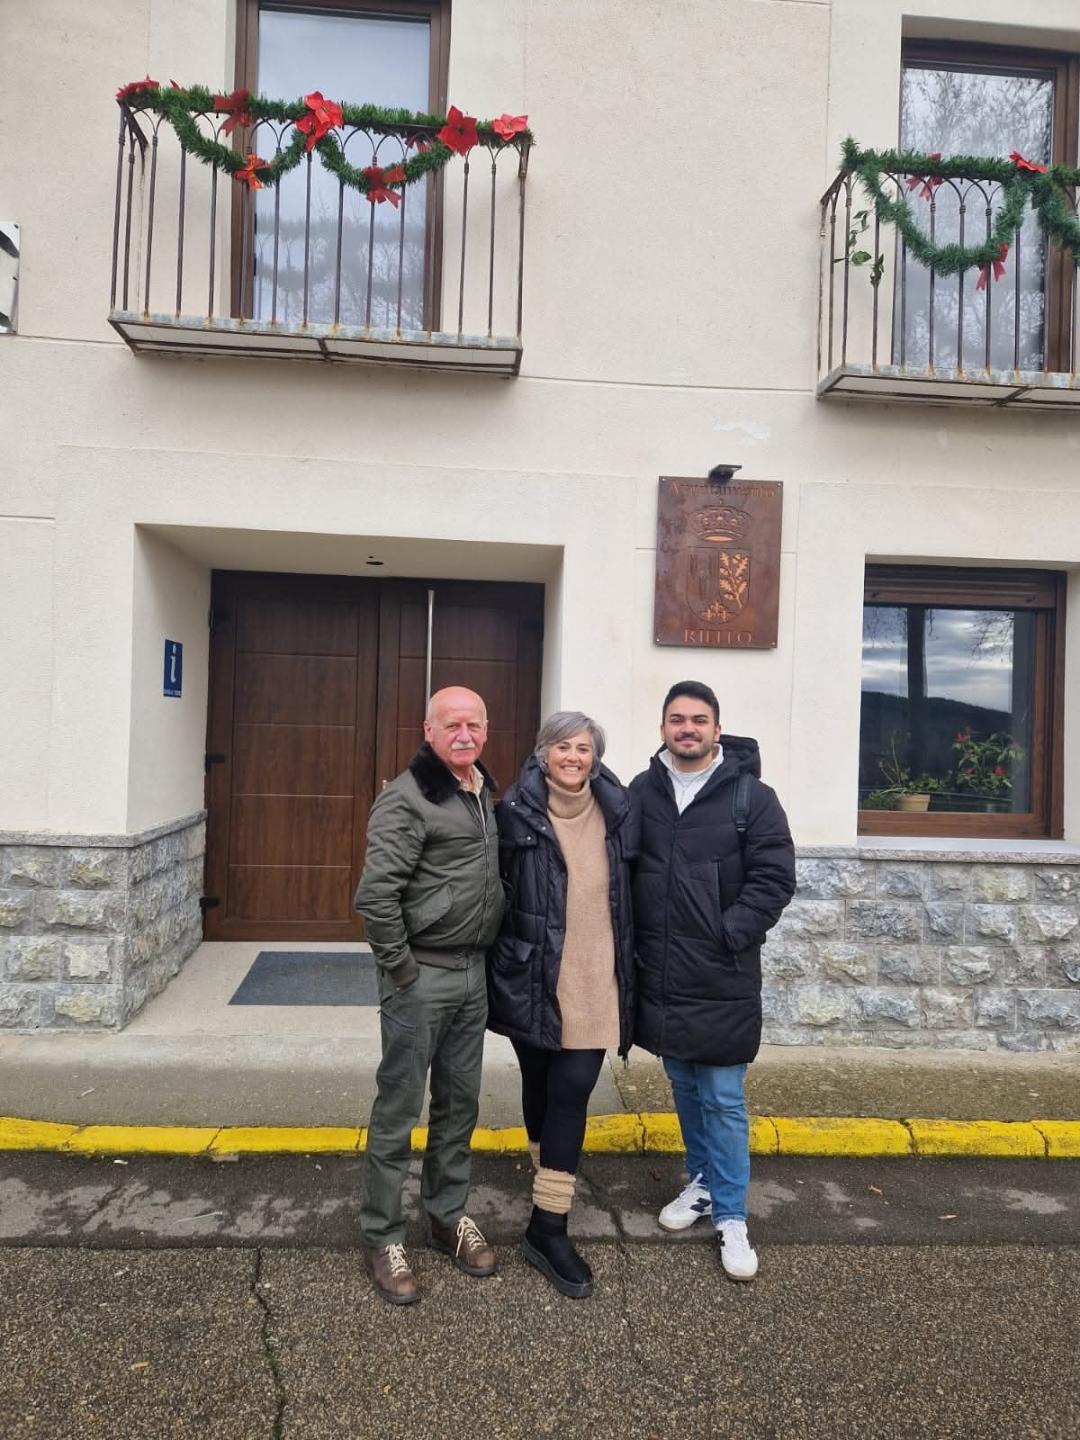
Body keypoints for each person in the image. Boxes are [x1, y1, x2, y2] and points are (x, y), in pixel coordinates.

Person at [630, 681, 795, 1282]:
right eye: (677, 719)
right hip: (664, 974)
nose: (687, 728)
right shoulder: (641, 791)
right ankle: (700, 1183)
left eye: (699, 719)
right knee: (683, 1084)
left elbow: (774, 880)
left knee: (724, 1097)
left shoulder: (752, 797)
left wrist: (729, 932)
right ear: (663, 727)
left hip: (722, 972)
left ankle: (731, 1218)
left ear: (717, 729)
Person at [354, 685, 505, 1305]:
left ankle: (446, 1217)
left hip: (474, 975)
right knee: (399, 1109)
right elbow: (375, 897)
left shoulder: (480, 790)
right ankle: (382, 1234)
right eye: (452, 724)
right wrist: (402, 971)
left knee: (458, 1106)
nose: (464, 733)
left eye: (474, 723)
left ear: (486, 729)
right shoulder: (408, 797)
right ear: (428, 729)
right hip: (421, 977)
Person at [489, 711, 637, 1299]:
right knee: (540, 1082)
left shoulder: (620, 812)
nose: (572, 757)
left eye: (583, 748)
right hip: (533, 973)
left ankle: (548, 1226)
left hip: (598, 973)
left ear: (594, 757)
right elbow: (491, 890)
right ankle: (549, 1169)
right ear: (542, 752)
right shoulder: (513, 812)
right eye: (562, 746)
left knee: (573, 1086)